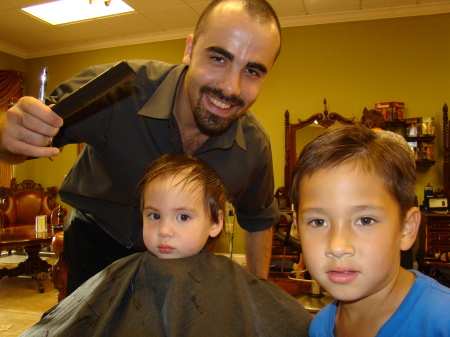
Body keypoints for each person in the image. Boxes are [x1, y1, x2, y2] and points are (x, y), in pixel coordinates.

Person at [0, 0, 281, 294]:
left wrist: (258, 297)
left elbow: (259, 220)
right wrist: (9, 131)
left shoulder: (254, 146)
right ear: (189, 50)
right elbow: (21, 141)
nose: (231, 88)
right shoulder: (116, 91)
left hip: (184, 262)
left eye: (252, 71)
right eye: (219, 59)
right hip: (96, 247)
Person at [20, 153, 312, 337]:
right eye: (154, 216)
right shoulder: (121, 273)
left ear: (216, 222)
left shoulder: (233, 280)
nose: (165, 230)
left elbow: (287, 319)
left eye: (183, 216)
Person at [289, 125, 450, 337]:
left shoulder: (442, 320)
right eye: (318, 222)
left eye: (365, 220)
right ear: (297, 226)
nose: (337, 247)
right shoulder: (320, 327)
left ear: (407, 228)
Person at [361, 108, 416, 268]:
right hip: (401, 194)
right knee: (402, 239)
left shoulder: (364, 140)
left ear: (364, 123)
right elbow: (411, 171)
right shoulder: (400, 140)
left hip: (372, 196)